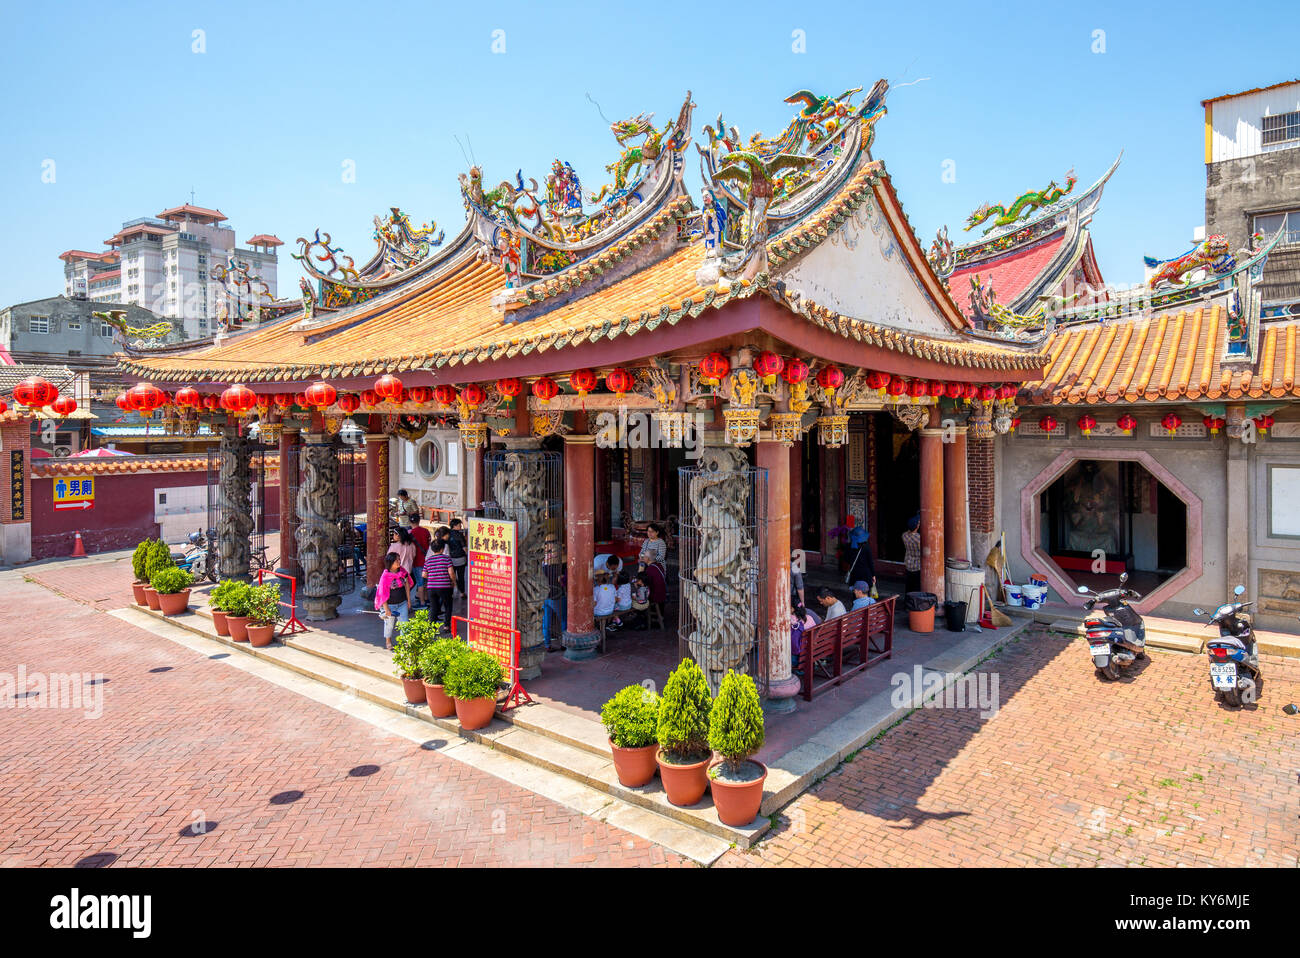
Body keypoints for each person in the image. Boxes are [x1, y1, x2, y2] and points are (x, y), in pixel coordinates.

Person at [375, 551, 414, 650]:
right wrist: (386, 608)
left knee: (404, 623)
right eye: (396, 560)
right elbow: (382, 593)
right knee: (389, 624)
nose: (399, 561)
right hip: (390, 605)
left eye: (399, 559)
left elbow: (407, 586)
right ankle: (388, 641)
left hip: (402, 603)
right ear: (390, 563)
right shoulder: (385, 576)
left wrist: (409, 600)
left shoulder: (403, 571)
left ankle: (404, 642)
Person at [422, 539, 455, 632]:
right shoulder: (446, 558)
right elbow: (451, 572)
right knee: (448, 605)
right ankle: (446, 626)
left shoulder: (428, 560)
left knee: (433, 607)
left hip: (431, 587)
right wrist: (453, 581)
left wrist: (433, 576)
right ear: (442, 549)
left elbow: (424, 575)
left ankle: (432, 627)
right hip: (445, 586)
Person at [409, 516, 432, 609]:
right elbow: (429, 543)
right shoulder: (425, 531)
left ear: (410, 522)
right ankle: (426, 599)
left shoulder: (410, 534)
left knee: (420, 583)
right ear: (419, 521)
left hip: (417, 561)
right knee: (426, 581)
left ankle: (422, 603)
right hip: (427, 559)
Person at [845, 527, 875, 593]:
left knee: (855, 595)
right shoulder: (866, 547)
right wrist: (873, 575)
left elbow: (847, 560)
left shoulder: (848, 547)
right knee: (866, 595)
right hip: (866, 576)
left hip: (854, 575)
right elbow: (871, 563)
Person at [902, 514, 922, 596]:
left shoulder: (904, 535)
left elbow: (908, 532)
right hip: (917, 565)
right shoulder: (919, 538)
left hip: (908, 563)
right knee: (916, 587)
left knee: (908, 586)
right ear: (917, 526)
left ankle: (907, 602)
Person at [447, 518, 468, 594]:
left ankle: (451, 593)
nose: (460, 527)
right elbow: (464, 548)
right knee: (461, 576)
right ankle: (462, 593)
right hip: (460, 559)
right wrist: (467, 555)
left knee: (451, 576)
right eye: (459, 525)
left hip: (450, 559)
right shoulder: (459, 535)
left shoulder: (447, 534)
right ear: (454, 526)